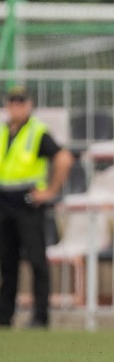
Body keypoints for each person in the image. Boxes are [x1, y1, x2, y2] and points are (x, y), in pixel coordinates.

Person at [0, 85, 74, 329]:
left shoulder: (37, 132)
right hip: (4, 203)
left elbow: (64, 158)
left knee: (36, 261)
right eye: (12, 102)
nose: (15, 106)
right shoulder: (3, 132)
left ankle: (40, 317)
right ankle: (4, 316)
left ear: (28, 104)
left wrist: (50, 191)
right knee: (6, 262)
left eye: (20, 102)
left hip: (27, 204)